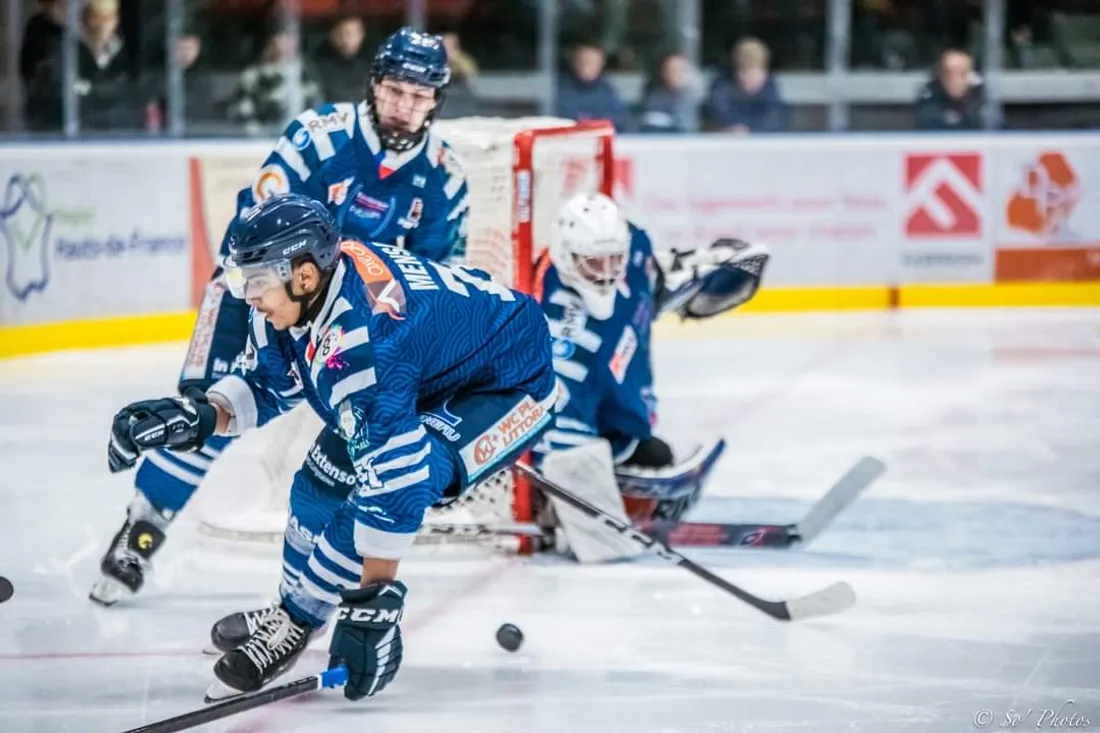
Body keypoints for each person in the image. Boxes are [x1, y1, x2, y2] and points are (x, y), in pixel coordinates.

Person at [106, 194, 557, 699]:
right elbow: (266, 385)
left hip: (509, 384)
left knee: (369, 497)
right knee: (315, 487)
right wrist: (200, 415)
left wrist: (372, 602)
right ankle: (297, 607)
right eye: (243, 278)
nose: (246, 294)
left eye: (255, 280)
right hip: (431, 369)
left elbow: (394, 490)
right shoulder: (294, 297)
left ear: (302, 276)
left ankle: (298, 619)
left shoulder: (365, 340)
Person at [91, 26, 470, 608]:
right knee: (206, 414)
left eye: (420, 96)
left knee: (358, 445)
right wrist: (271, 304)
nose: (405, 106)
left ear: (436, 101)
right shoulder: (320, 137)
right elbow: (252, 228)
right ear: (374, 85)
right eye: (396, 90)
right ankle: (141, 529)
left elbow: (432, 281)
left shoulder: (445, 174)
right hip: (255, 298)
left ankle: (318, 585)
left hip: (343, 330)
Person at [531, 193, 770, 562]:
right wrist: (589, 520)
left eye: (615, 261)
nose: (608, 273)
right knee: (652, 460)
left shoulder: (634, 248)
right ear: (567, 256)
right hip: (587, 432)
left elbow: (649, 281)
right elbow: (560, 441)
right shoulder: (562, 329)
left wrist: (696, 275)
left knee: (657, 455)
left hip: (620, 415)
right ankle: (545, 506)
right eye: (594, 264)